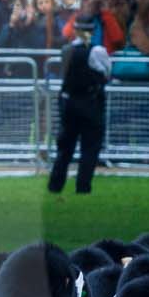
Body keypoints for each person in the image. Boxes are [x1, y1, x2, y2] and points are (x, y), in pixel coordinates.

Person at [48, 36, 110, 195]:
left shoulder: (66, 50)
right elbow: (106, 72)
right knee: (89, 149)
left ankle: (55, 186)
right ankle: (83, 187)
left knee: (65, 148)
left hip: (70, 104)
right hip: (90, 104)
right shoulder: (97, 51)